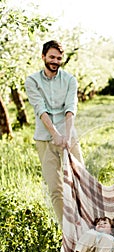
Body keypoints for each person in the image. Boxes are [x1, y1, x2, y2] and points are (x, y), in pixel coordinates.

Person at [25, 40, 84, 227]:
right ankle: (67, 231)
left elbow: (70, 107)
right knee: (55, 188)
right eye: (51, 57)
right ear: (43, 57)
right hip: (44, 139)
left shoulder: (69, 80)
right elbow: (40, 109)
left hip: (68, 136)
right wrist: (55, 134)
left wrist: (66, 135)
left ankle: (85, 224)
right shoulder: (32, 81)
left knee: (80, 181)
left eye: (59, 58)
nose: (55, 61)